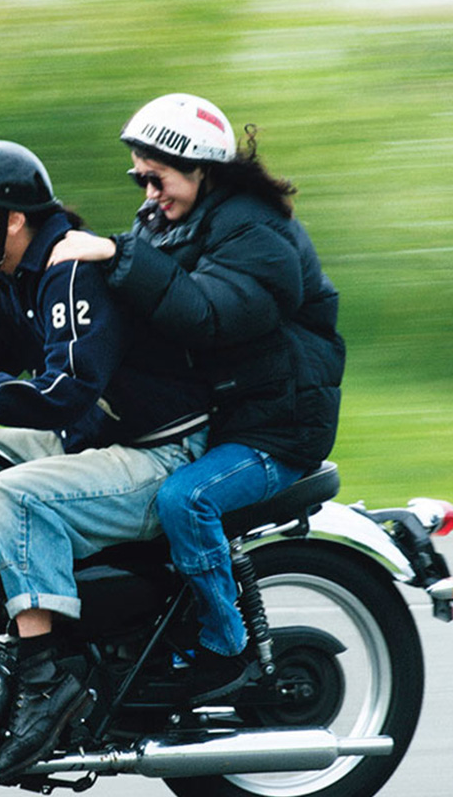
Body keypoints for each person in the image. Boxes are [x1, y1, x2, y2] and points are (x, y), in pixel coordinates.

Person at [0, 139, 209, 779]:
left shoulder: (68, 269)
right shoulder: (5, 275)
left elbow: (67, 392)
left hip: (157, 451)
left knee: (12, 494)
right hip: (95, 441)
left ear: (13, 219)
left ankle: (47, 681)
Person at [48, 93, 346, 702]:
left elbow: (209, 313)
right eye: (139, 178)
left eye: (156, 178)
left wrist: (114, 252)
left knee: (186, 501)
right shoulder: (167, 223)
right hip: (221, 416)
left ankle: (223, 646)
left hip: (276, 427)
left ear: (199, 168)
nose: (147, 192)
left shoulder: (258, 230)